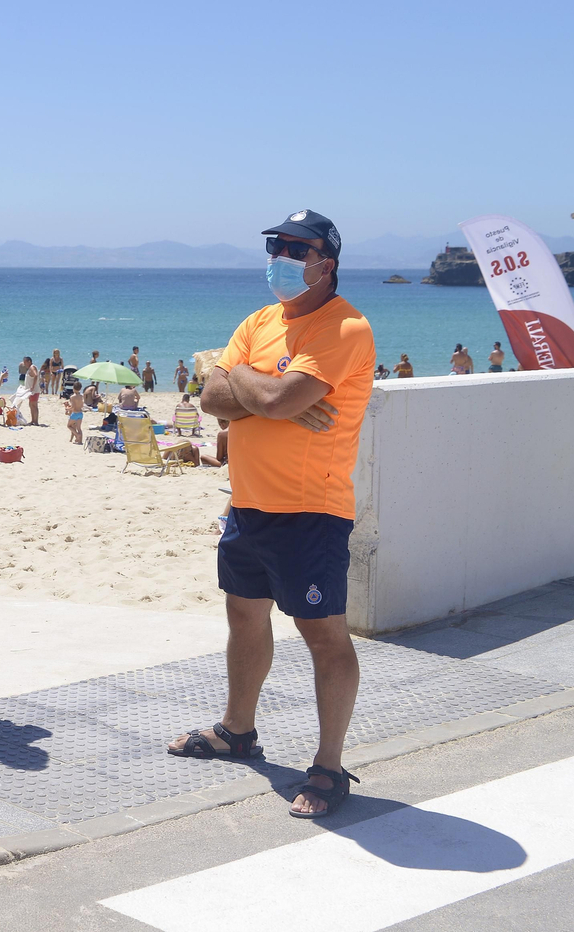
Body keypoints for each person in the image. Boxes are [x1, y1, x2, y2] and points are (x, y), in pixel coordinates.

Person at [173, 209, 375, 819]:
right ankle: (238, 731)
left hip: (309, 511)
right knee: (243, 616)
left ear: (326, 264)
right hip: (247, 504)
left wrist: (240, 376)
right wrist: (258, 390)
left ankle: (329, 766)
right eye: (275, 246)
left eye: (295, 248)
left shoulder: (345, 327)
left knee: (323, 635)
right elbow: (211, 399)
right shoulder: (260, 321)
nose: (280, 257)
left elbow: (276, 397)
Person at [21, 356, 41, 426]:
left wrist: (33, 386)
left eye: (25, 362)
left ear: (29, 361)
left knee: (34, 405)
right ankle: (33, 420)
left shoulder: (32, 367)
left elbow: (36, 375)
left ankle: (36, 421)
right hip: (30, 391)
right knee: (31, 405)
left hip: (34, 390)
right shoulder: (30, 368)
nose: (24, 364)